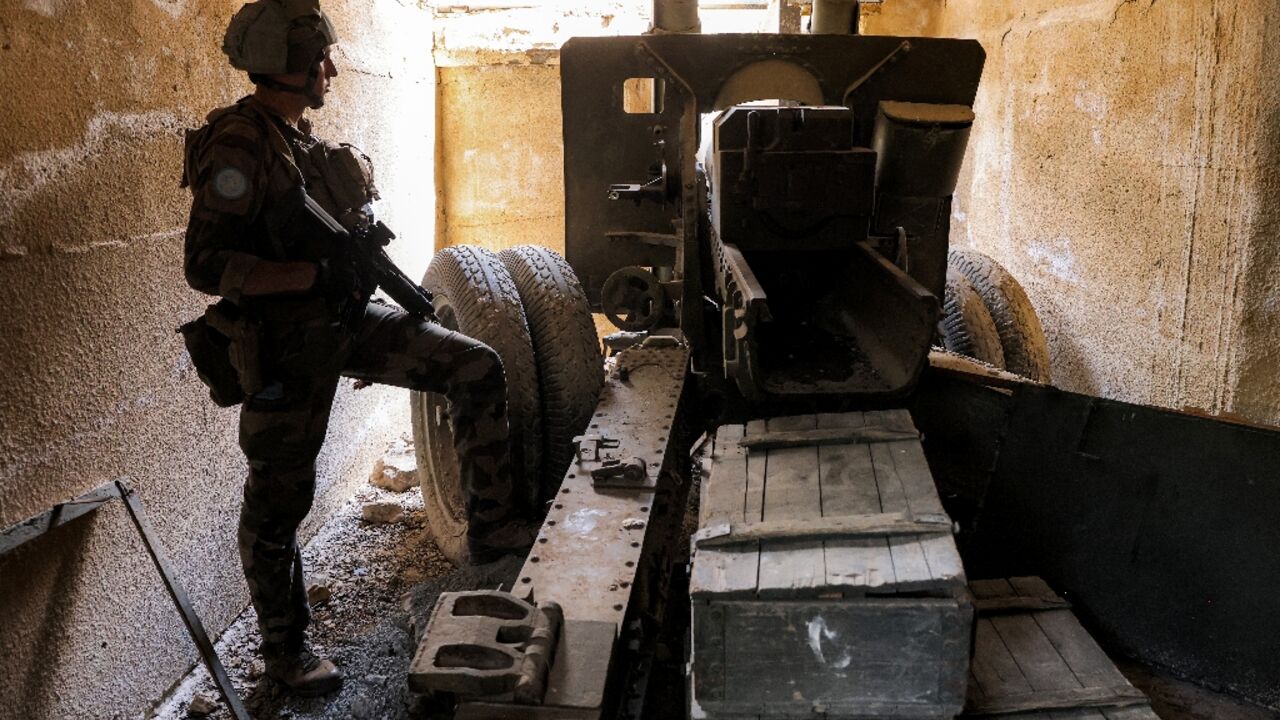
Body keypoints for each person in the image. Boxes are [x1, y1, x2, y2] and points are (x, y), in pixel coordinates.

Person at [181, 0, 534, 696]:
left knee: (474, 367)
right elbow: (204, 264)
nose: (332, 71)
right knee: (278, 505)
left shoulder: (295, 139)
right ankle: (285, 657)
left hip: (344, 321)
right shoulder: (238, 143)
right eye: (320, 61)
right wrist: (310, 274)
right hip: (282, 346)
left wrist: (344, 283)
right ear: (289, 67)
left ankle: (492, 546)